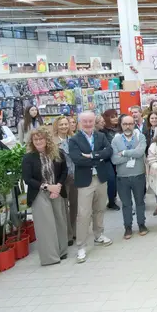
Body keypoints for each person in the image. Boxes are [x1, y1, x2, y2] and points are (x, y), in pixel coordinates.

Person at [68, 111, 114, 263]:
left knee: (100, 208)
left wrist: (92, 155)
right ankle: (81, 246)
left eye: (90, 121)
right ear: (80, 122)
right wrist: (98, 158)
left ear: (94, 121)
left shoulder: (100, 136)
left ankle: (98, 235)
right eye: (85, 121)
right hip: (85, 181)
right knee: (83, 214)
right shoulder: (74, 140)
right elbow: (77, 159)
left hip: (100, 178)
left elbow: (109, 152)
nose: (88, 124)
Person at [21, 126, 68, 266]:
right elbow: (27, 179)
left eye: (41, 138)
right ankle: (50, 257)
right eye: (35, 139)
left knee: (60, 221)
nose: (38, 141)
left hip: (57, 191)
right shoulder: (28, 158)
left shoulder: (58, 153)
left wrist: (58, 186)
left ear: (47, 139)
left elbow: (64, 171)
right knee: (45, 225)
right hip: (39, 193)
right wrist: (48, 187)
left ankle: (62, 251)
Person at [111, 114, 148, 239]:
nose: (128, 126)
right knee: (126, 204)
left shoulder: (140, 136)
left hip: (138, 175)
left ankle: (142, 224)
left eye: (130, 124)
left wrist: (124, 153)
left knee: (140, 202)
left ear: (134, 124)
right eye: (125, 124)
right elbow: (115, 159)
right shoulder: (116, 140)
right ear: (121, 125)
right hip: (122, 177)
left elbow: (140, 152)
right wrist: (132, 155)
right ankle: (128, 227)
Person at [52, 116, 78, 246]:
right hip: (62, 177)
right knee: (63, 207)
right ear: (56, 126)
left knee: (75, 205)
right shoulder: (52, 141)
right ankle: (67, 234)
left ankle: (74, 231)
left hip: (75, 176)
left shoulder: (73, 139)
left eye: (65, 124)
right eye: (61, 124)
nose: (64, 127)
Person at [100, 109, 121, 211]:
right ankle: (111, 202)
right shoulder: (103, 131)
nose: (116, 118)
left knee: (117, 180)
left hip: (120, 157)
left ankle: (114, 198)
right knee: (111, 179)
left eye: (116, 115)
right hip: (108, 159)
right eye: (112, 117)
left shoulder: (121, 128)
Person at [143, 112, 157, 215]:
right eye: (152, 118)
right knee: (154, 182)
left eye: (156, 118)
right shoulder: (147, 131)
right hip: (150, 160)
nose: (154, 120)